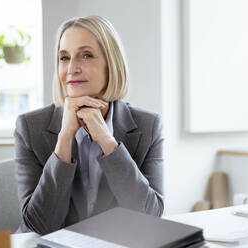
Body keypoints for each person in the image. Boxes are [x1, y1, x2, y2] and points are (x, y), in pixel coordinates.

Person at [14, 15, 164, 235]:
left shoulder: (148, 126)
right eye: (64, 58)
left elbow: (149, 217)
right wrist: (64, 138)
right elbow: (40, 226)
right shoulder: (29, 127)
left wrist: (107, 141)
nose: (72, 68)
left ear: (111, 64)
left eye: (86, 55)